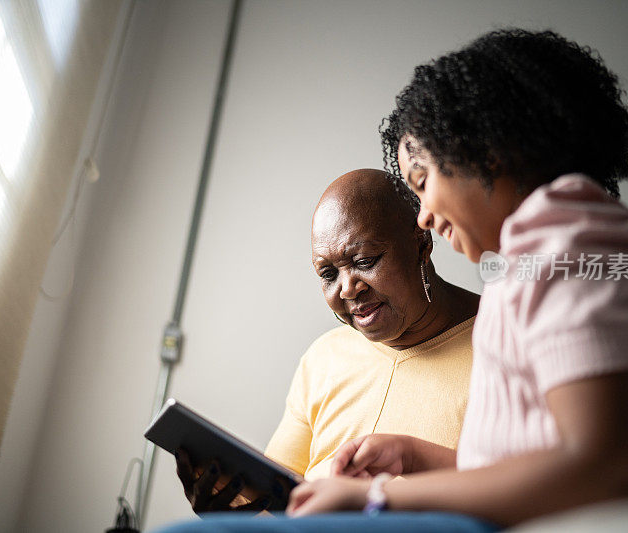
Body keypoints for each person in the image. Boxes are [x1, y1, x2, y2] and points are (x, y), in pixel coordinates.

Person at [159, 28, 628, 533]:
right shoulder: (535, 261)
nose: (423, 215)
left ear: (490, 151)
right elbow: (536, 467)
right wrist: (416, 459)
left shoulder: (570, 242)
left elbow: (617, 470)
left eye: (423, 183)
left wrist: (378, 500)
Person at [174, 168, 480, 513]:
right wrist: (232, 514)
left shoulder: (502, 342)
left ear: (422, 244)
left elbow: (517, 487)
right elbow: (278, 505)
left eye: (364, 261)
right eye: (328, 274)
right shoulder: (325, 358)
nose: (348, 288)